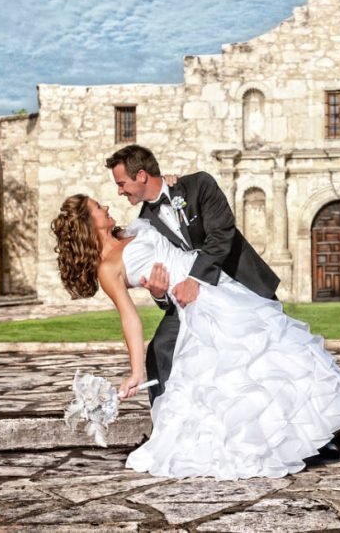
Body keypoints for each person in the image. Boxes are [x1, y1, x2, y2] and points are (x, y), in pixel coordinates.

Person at [51, 195, 340, 480]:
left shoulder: (132, 230)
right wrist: (136, 371)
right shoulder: (108, 268)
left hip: (214, 281)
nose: (105, 206)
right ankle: (264, 445)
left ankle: (312, 437)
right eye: (97, 207)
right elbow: (129, 318)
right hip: (195, 305)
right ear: (87, 223)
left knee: (274, 354)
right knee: (235, 375)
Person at [104, 145, 280, 406]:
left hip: (236, 278)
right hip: (190, 298)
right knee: (160, 350)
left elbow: (221, 235)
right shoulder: (144, 223)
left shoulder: (199, 185)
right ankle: (167, 425)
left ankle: (321, 438)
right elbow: (162, 269)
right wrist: (159, 294)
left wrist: (195, 279)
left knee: (275, 348)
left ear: (141, 176)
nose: (119, 191)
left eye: (121, 183)